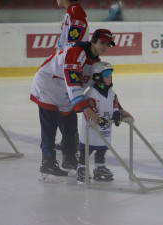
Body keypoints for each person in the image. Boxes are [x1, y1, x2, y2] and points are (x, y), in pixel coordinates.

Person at [30, 29, 116, 181]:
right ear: (93, 41)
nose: (105, 46)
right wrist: (85, 106)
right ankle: (47, 161)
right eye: (102, 42)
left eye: (108, 44)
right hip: (48, 86)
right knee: (49, 126)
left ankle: (69, 160)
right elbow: (73, 81)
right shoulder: (76, 52)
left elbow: (89, 85)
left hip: (66, 92)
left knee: (70, 126)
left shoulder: (96, 62)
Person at [76, 62, 131, 182]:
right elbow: (90, 110)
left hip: (105, 128)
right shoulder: (91, 93)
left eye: (110, 76)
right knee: (87, 149)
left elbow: (115, 105)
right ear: (98, 77)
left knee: (103, 148)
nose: (110, 78)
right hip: (92, 128)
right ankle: (81, 167)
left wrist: (117, 114)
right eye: (107, 76)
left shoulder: (111, 92)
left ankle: (99, 167)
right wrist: (97, 118)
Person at [54, 0, 90, 152]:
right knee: (63, 103)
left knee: (67, 103)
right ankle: (69, 140)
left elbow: (74, 43)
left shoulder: (75, 11)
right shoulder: (72, 10)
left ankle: (71, 140)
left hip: (69, 63)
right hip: (66, 62)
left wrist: (65, 61)